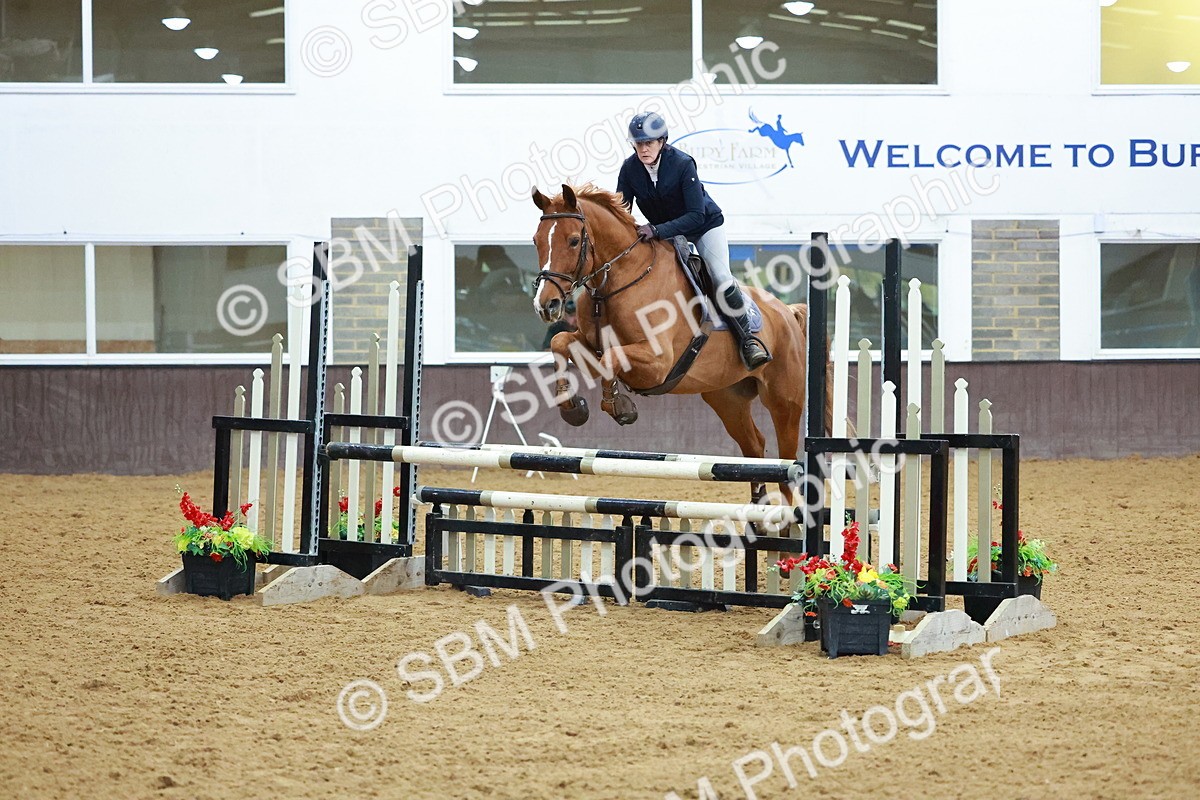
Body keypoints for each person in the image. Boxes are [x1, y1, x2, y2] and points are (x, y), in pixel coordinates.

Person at [615, 111, 771, 371]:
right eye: (638, 144)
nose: (643, 149)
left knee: (720, 277)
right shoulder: (629, 169)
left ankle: (748, 341)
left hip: (703, 226)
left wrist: (656, 230)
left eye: (649, 143)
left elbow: (696, 215)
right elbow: (622, 212)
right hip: (667, 234)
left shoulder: (682, 164)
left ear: (662, 141)